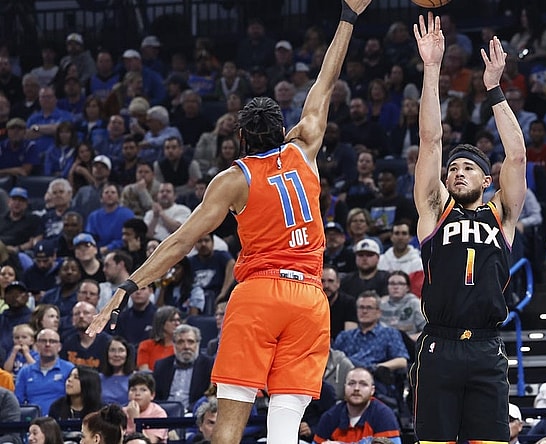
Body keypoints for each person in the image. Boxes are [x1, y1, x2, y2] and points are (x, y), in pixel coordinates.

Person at [88, 3, 372, 444]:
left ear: (238, 138)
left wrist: (126, 288)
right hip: (310, 299)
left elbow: (181, 241)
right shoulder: (305, 150)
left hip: (259, 294)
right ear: (286, 130)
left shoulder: (232, 179)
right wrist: (348, 16)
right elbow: (325, 81)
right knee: (284, 429)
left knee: (228, 428)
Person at [409, 13, 527, 444]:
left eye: (468, 168)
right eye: (453, 168)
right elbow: (430, 142)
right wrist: (432, 68)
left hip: (486, 346)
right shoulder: (435, 210)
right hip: (439, 344)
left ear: (486, 180)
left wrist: (494, 89)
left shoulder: (502, 215)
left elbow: (516, 157)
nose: (457, 171)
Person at [311, 367, 401, 444]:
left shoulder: (384, 415)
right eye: (351, 383)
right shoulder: (330, 417)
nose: (356, 389)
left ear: (372, 390)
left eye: (363, 384)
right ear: (344, 387)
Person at [152, 324, 214, 411]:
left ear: (198, 344)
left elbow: (210, 396)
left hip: (194, 415)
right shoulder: (161, 366)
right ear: (174, 344)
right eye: (180, 342)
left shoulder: (209, 365)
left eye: (190, 342)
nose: (186, 347)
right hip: (165, 415)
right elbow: (155, 397)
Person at [14, 328, 75, 415]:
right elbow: (18, 401)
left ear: (59, 347)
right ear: (36, 345)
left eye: (52, 341)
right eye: (43, 341)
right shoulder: (25, 372)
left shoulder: (69, 369)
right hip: (32, 421)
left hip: (61, 419)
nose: (47, 344)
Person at [123, 372, 168, 443]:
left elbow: (150, 442)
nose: (137, 393)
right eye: (133, 390)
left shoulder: (158, 414)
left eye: (143, 390)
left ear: (152, 395)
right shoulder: (122, 413)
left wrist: (135, 419)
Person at [136, 306, 180, 371]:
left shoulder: (181, 346)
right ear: (161, 323)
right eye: (172, 320)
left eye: (178, 320)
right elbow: (144, 372)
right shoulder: (146, 345)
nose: (177, 323)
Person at [99, 336, 136, 405]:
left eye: (121, 350)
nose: (116, 355)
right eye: (112, 350)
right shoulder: (98, 379)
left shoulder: (136, 378)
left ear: (127, 354)